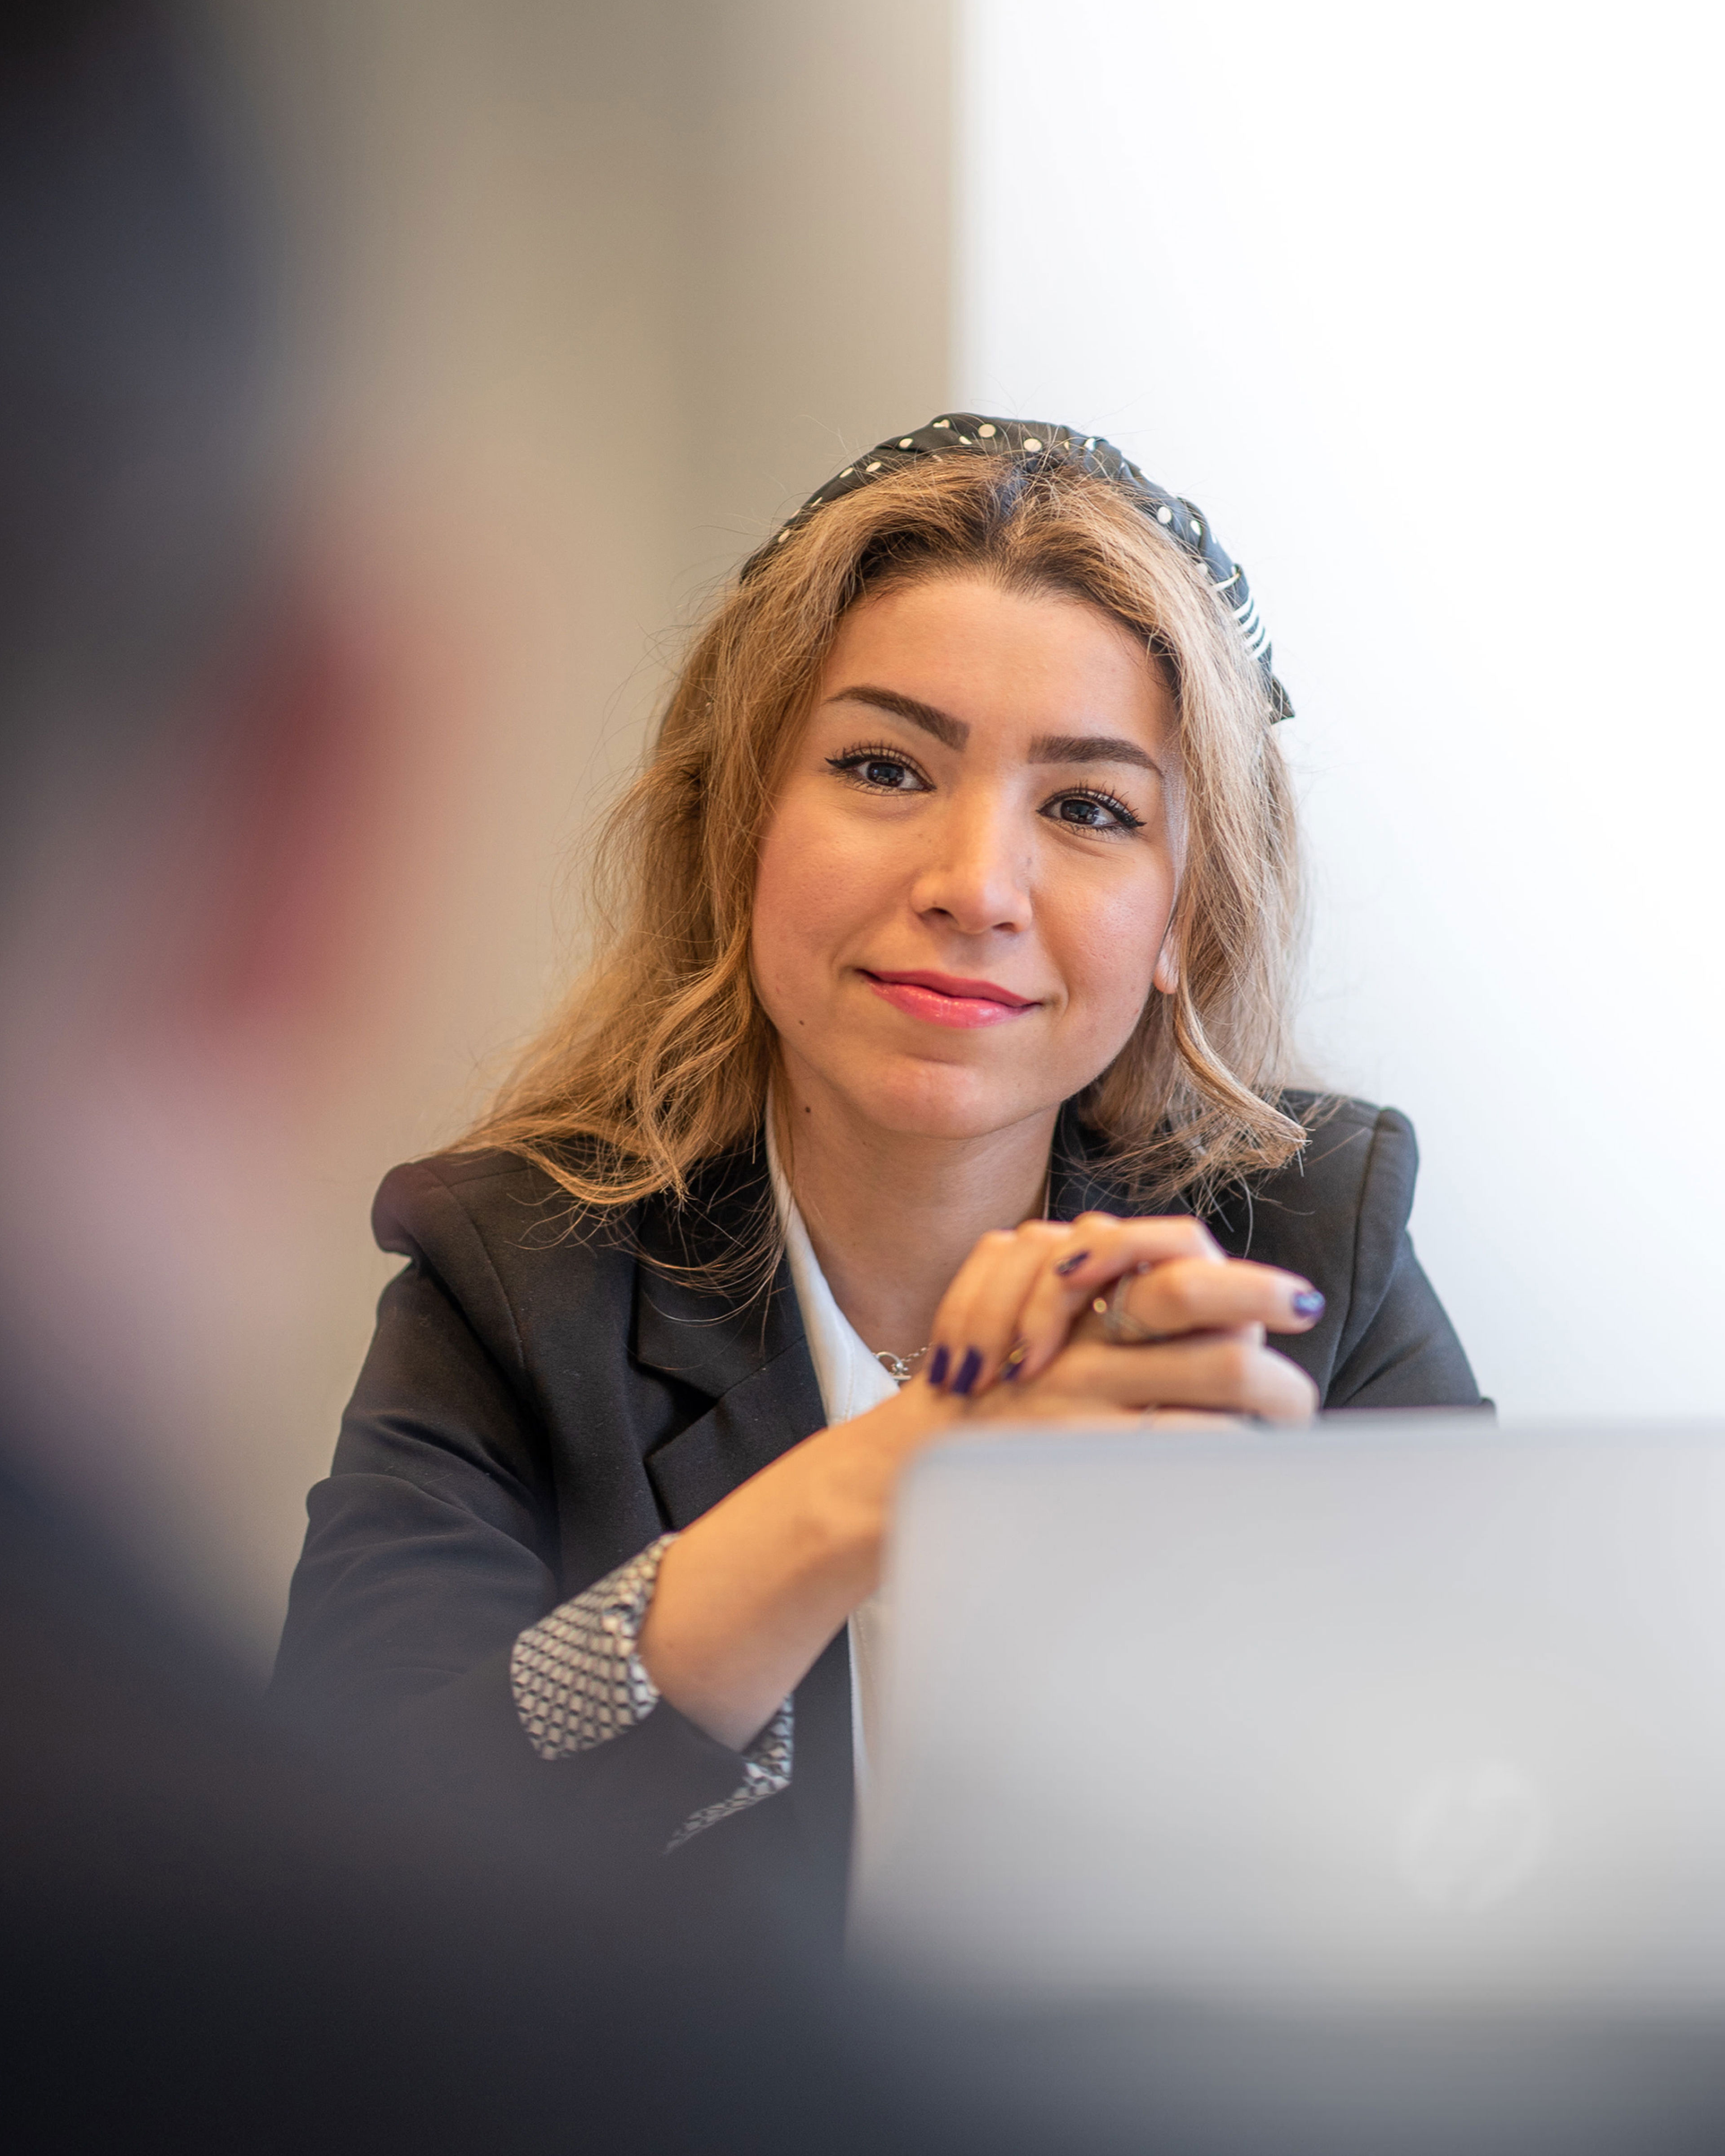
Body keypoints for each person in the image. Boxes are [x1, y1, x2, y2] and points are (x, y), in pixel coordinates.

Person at [274, 415, 1482, 1945]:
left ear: (1188, 914)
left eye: (1091, 809)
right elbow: (349, 1850)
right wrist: (888, 1477)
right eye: (884, 767)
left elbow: (1501, 1820)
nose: (974, 885)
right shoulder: (517, 1272)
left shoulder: (1309, 1245)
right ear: (744, 827)